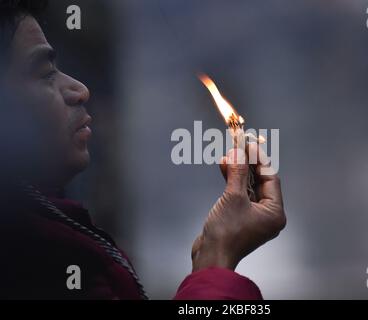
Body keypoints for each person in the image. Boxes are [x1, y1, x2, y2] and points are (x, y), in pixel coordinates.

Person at [0, 0, 286, 299]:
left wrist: (211, 258)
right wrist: (219, 258)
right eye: (45, 72)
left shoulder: (56, 229)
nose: (80, 90)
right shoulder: (28, 257)